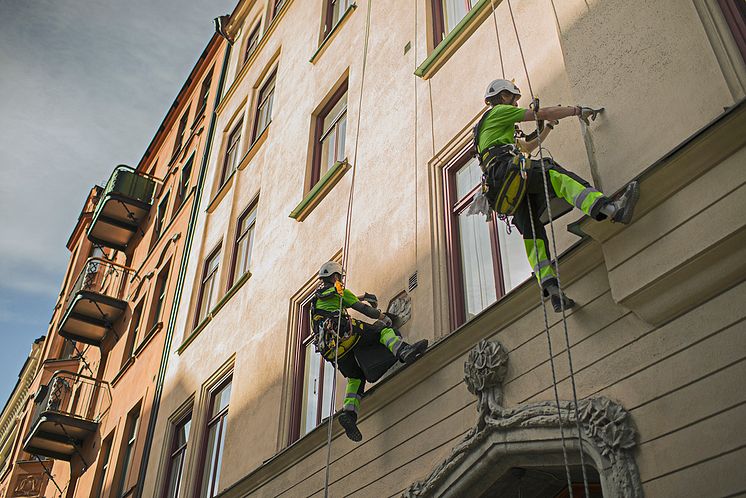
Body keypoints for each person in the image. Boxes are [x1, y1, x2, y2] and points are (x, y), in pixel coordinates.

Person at [474, 79, 640, 312]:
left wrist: (548, 127)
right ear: (503, 97)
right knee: (553, 173)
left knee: (531, 229)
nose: (516, 103)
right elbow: (540, 112)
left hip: (502, 186)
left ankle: (551, 288)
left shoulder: (491, 132)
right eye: (514, 98)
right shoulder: (499, 112)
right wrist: (576, 110)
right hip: (507, 171)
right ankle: (610, 209)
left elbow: (527, 147)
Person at [311, 261, 428, 441]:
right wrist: (384, 317)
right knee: (381, 331)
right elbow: (364, 310)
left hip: (333, 351)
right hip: (346, 334)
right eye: (339, 278)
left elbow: (346, 300)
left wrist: (364, 295)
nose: (340, 281)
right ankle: (404, 351)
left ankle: (349, 414)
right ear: (335, 277)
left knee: (356, 378)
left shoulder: (318, 300)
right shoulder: (338, 291)